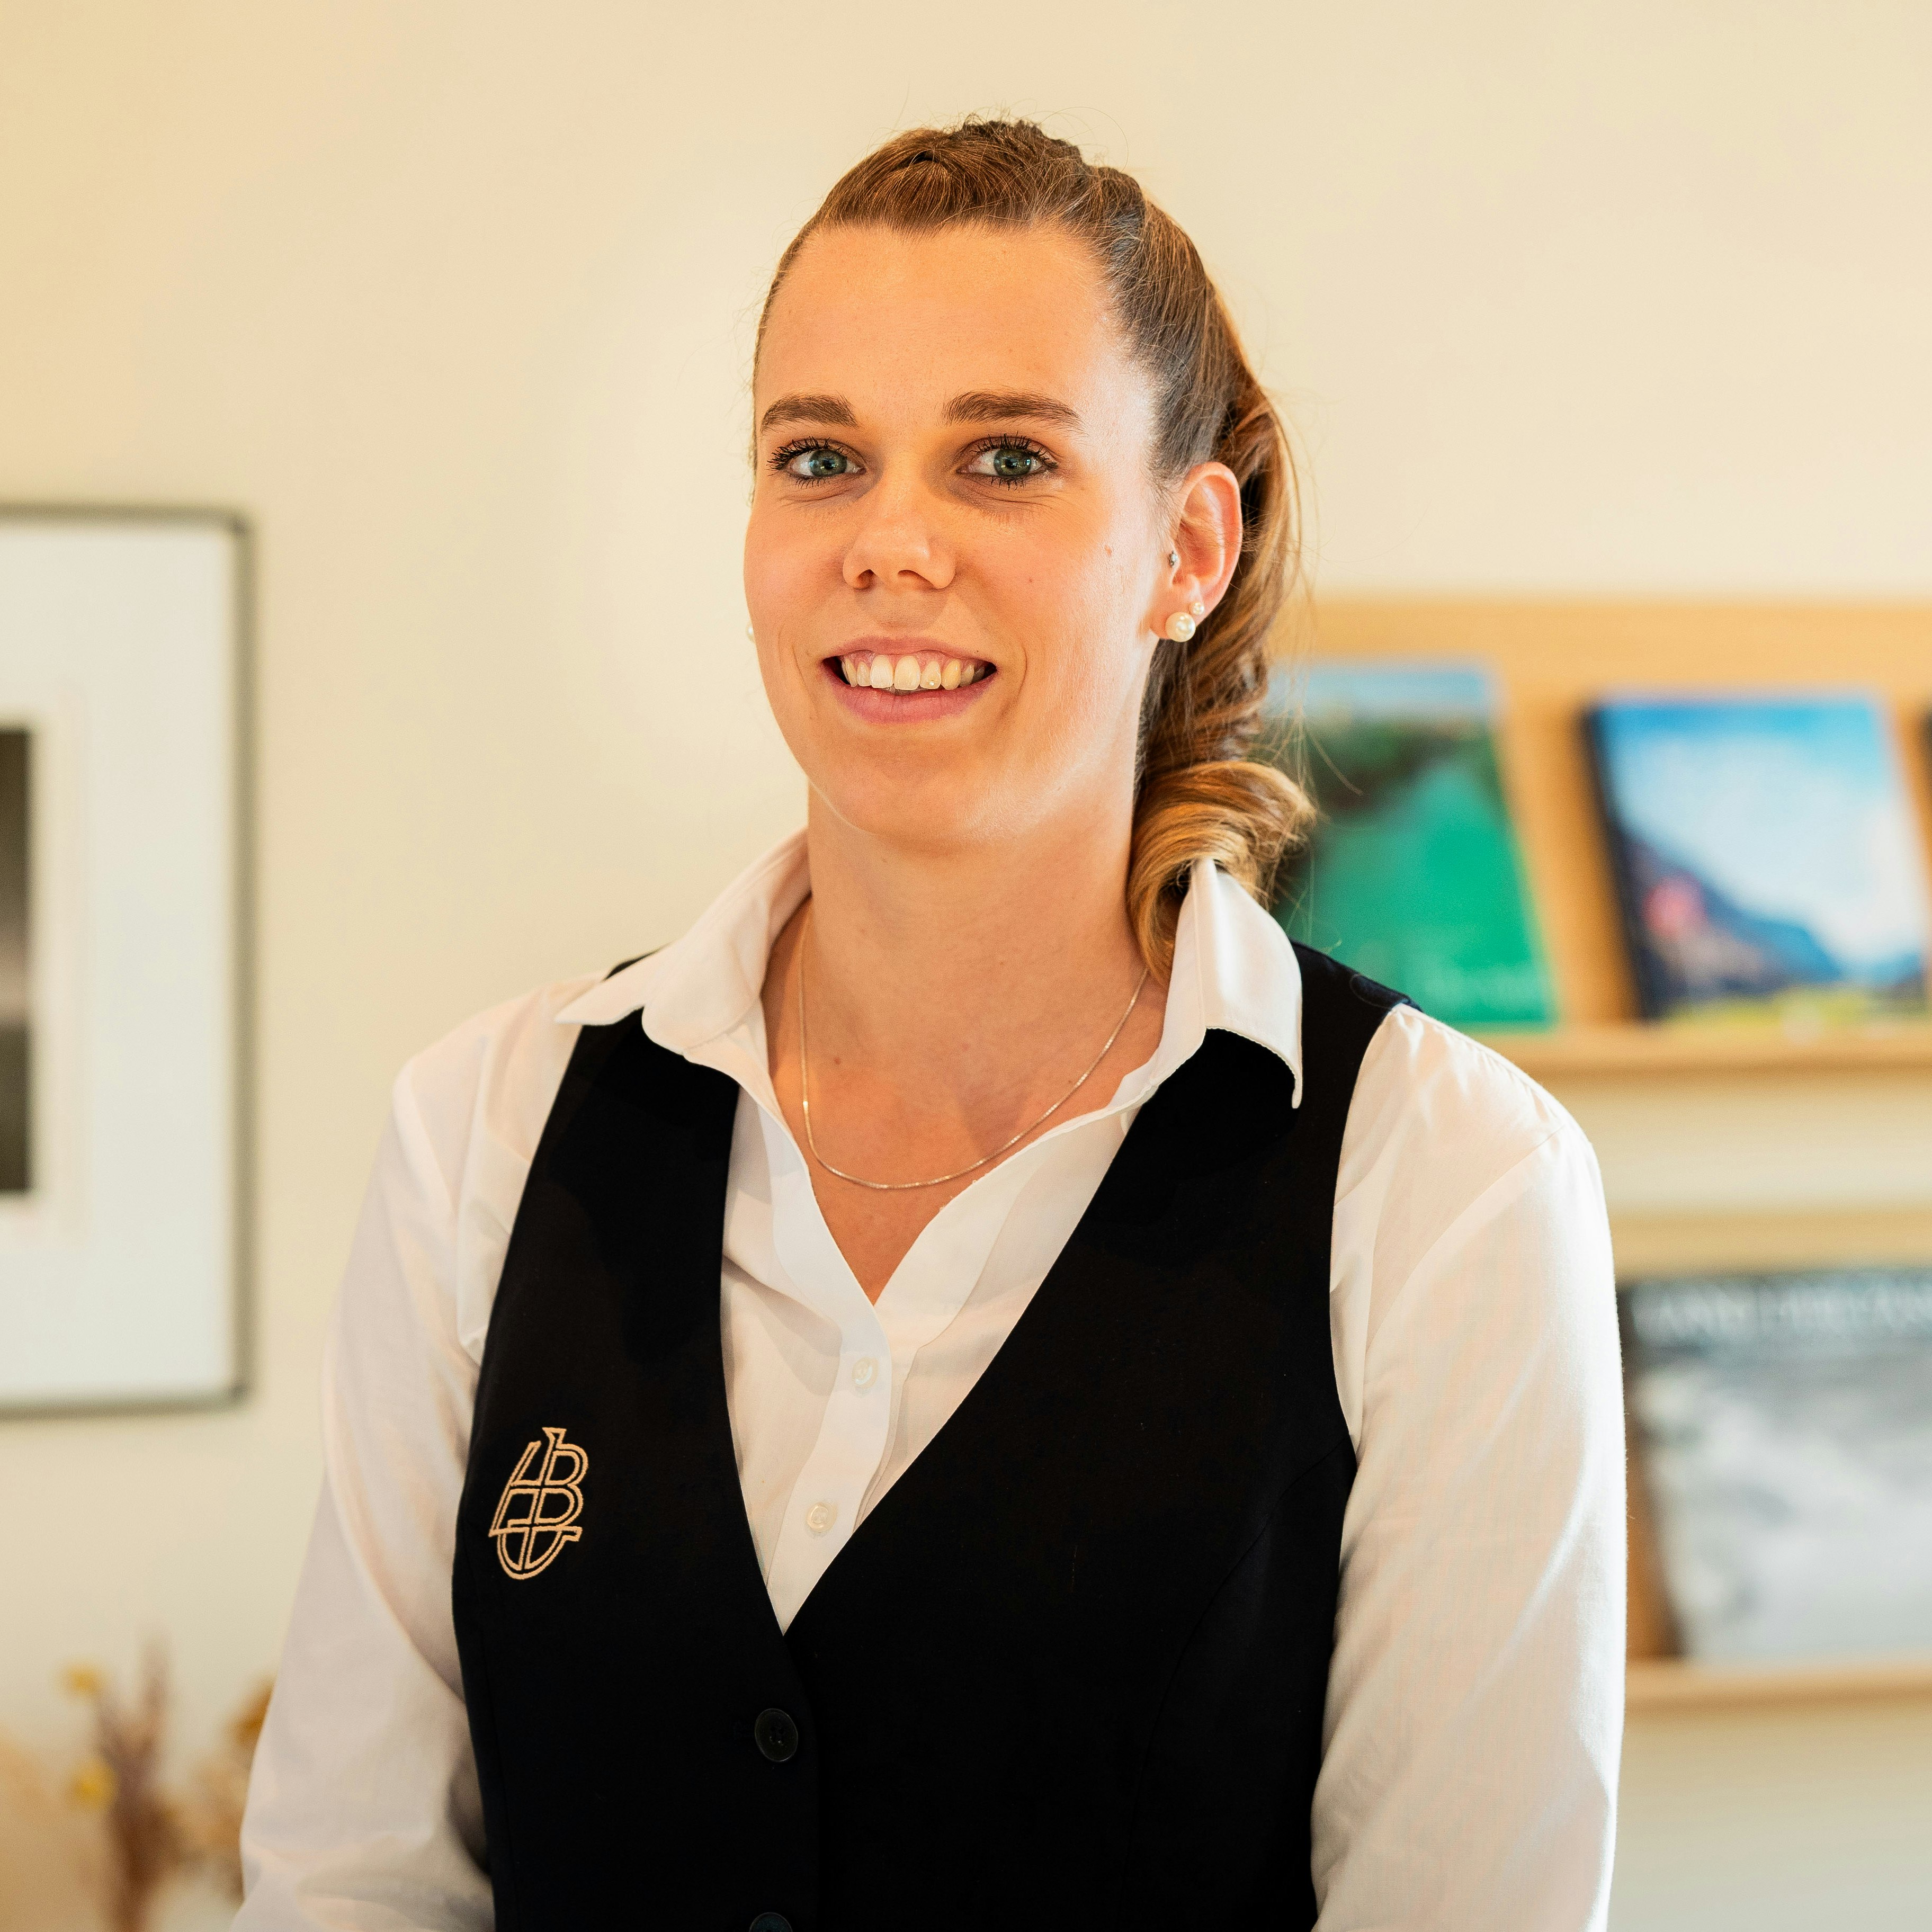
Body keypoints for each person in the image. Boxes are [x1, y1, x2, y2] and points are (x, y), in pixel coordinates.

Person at [238, 118, 1624, 1931]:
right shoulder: (485, 1134)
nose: (891, 545)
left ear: (1185, 546)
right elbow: (350, 1885)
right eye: (821, 458)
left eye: (1003, 461)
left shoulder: (1443, 1183)